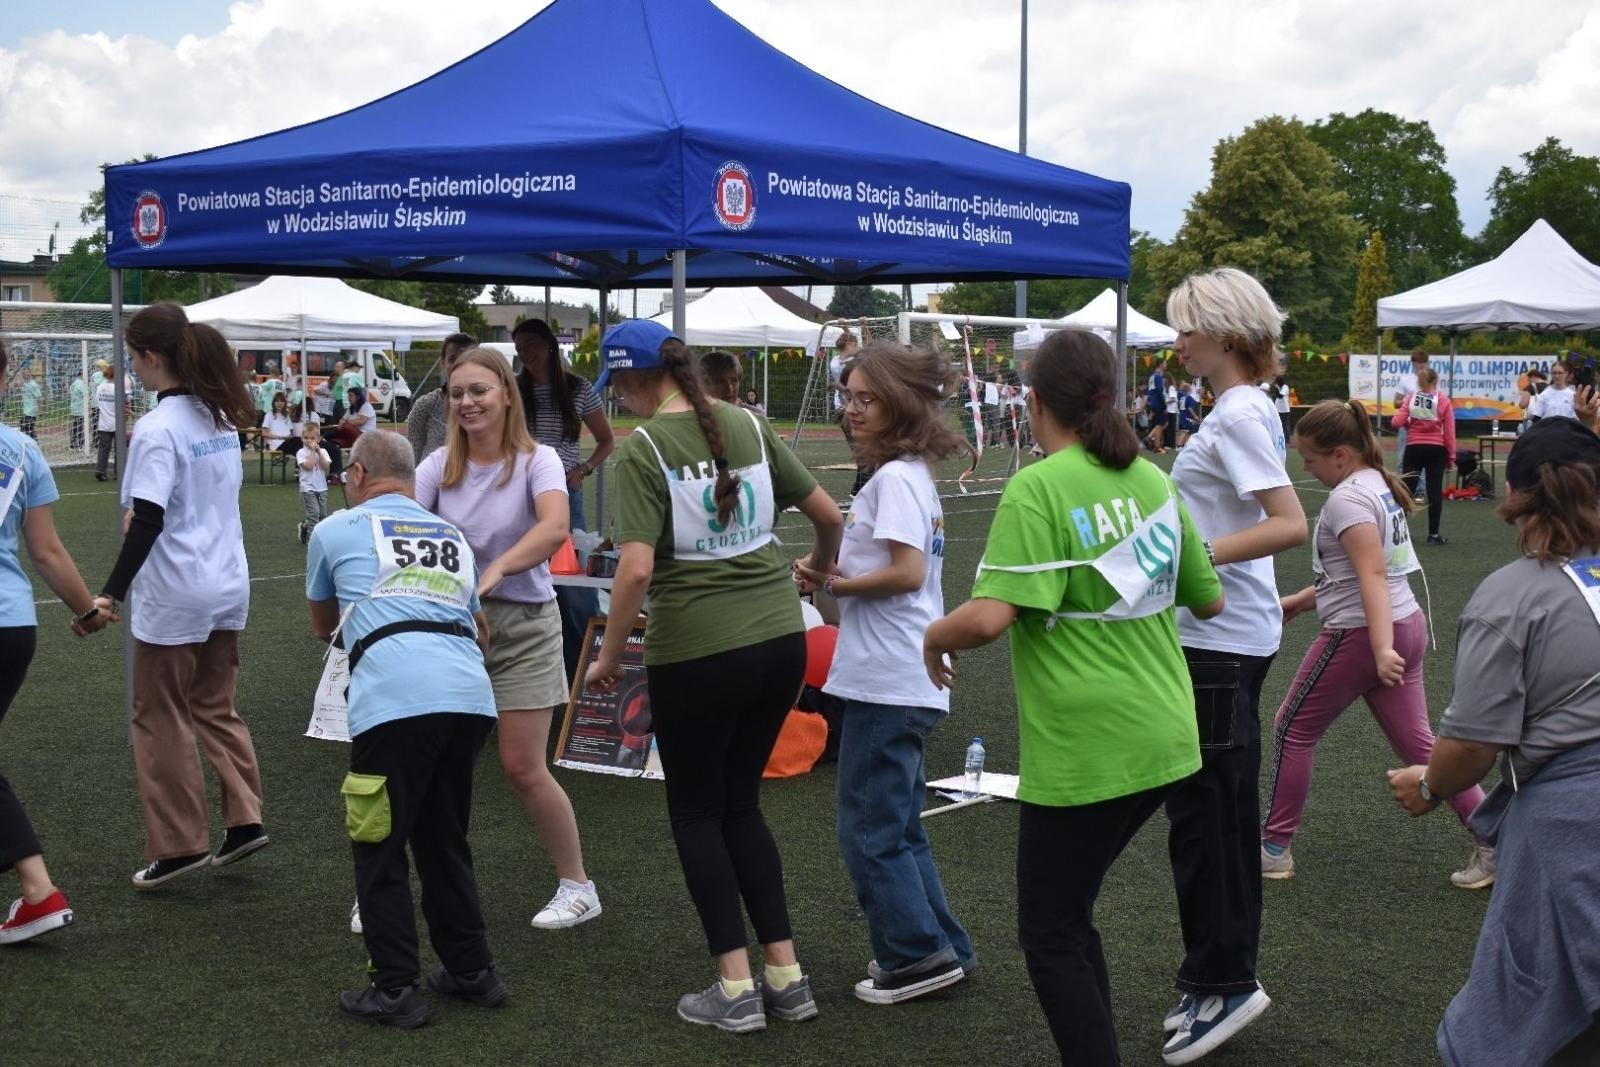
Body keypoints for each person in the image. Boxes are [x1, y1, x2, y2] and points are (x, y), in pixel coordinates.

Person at [923, 328, 1223, 1064]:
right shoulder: (1153, 480)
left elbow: (990, 617)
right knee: (1068, 916)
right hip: (1167, 735)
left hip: (1089, 748)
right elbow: (1207, 600)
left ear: (1031, 401)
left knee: (1050, 928)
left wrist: (933, 634)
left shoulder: (1040, 485)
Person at [585, 319, 843, 1032]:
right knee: (741, 806)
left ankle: (735, 988)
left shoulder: (641, 450)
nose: (620, 403)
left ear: (637, 379)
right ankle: (786, 976)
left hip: (699, 648)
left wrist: (609, 656)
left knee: (697, 812)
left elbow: (634, 568)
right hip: (779, 639)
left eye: (620, 389)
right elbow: (829, 516)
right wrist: (817, 572)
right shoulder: (750, 426)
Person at [1387, 417, 1600, 1066]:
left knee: (1513, 1018)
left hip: (1567, 822)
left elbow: (1473, 745)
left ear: (1514, 494)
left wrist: (1428, 783)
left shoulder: (1510, 597)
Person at [794, 342, 975, 1004]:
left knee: (869, 828)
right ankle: (942, 946)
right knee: (897, 825)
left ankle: (914, 955)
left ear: (899, 402)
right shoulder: (910, 474)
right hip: (902, 670)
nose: (851, 410)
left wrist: (837, 577)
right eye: (848, 396)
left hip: (888, 674)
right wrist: (837, 579)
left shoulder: (896, 478)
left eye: (864, 398)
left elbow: (903, 573)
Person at [307, 431, 506, 1029]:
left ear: (361, 473)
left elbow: (325, 625)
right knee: (443, 838)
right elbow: (481, 626)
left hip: (395, 698)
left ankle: (394, 988)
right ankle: (471, 972)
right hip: (469, 696)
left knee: (378, 842)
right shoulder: (451, 535)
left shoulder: (336, 529)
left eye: (346, 471)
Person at [1161, 267, 1307, 1065]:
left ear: (1223, 331)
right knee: (1208, 815)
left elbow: (1288, 522)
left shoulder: (1243, 411)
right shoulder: (1240, 407)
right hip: (1221, 634)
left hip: (1221, 641)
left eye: (1187, 325)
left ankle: (1223, 981)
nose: (1177, 338)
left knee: (1210, 820)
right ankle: (1212, 977)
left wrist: (1188, 555)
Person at [1264, 400, 1489, 885]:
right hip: (1404, 623)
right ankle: (1494, 841)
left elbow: (1371, 573)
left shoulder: (1348, 498)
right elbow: (1363, 571)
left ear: (1340, 455)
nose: (1305, 467)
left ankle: (1274, 847)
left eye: (1310, 458)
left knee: (1291, 728)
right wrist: (1305, 600)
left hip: (1365, 634)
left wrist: (1380, 647)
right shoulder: (1377, 484)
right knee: (1423, 749)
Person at [415, 347, 597, 930]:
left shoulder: (537, 461)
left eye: (478, 391)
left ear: (506, 395)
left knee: (522, 766)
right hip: (449, 628)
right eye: (456, 393)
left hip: (522, 627)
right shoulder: (436, 467)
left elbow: (554, 527)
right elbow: (404, 535)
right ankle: (389, 884)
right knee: (427, 764)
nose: (466, 402)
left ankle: (578, 886)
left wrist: (492, 573)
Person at [94, 302, 268, 889]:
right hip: (228, 583)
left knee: (158, 715)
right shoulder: (216, 417)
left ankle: (178, 846)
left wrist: (110, 594)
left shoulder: (159, 427)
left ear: (149, 357)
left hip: (178, 592)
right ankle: (245, 820)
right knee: (215, 704)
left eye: (133, 357)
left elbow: (145, 518)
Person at [0, 339, 115, 946]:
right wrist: (87, 609)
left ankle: (40, 891)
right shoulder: (20, 450)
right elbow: (45, 549)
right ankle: (38, 891)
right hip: (12, 625)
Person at [513, 317, 614, 683]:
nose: (525, 354)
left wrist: (583, 468)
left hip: (565, 497)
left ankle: (584, 673)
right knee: (525, 585)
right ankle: (540, 677)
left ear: (550, 346)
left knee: (574, 591)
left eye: (531, 346)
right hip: (520, 498)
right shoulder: (513, 389)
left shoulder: (578, 387)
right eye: (520, 348)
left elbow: (606, 440)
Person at [1392, 365, 1456, 546]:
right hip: (1436, 449)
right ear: (1436, 381)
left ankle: (1399, 533)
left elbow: (1396, 422)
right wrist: (1451, 457)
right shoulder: (1443, 400)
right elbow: (1450, 433)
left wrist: (1409, 426)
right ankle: (1433, 535)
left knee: (1406, 490)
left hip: (1414, 448)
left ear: (1418, 382)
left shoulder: (1411, 398)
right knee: (1434, 491)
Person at [405, 332, 476, 463]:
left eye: (466, 358)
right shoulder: (426, 405)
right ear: (443, 362)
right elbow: (412, 458)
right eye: (452, 358)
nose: (459, 364)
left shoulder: (483, 406)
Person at [1392, 348, 1429, 470]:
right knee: (1403, 456)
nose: (1420, 365)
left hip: (1426, 424)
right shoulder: (1405, 380)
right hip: (1407, 423)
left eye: (1423, 362)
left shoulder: (1431, 381)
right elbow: (1396, 403)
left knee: (1423, 458)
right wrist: (1410, 401)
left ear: (1427, 363)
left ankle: (1421, 489)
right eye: (1418, 362)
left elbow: (1437, 401)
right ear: (1413, 363)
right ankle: (1400, 487)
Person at [296, 422, 331, 545]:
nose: (309, 441)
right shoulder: (301, 453)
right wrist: (312, 452)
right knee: (314, 513)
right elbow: (308, 466)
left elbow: (326, 466)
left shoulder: (324, 452)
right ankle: (313, 543)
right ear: (302, 438)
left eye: (312, 438)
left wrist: (319, 452)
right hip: (308, 488)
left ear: (318, 439)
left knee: (322, 515)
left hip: (321, 488)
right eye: (306, 438)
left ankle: (305, 526)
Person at [93, 359, 120, 481]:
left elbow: (98, 403)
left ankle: (101, 470)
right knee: (119, 449)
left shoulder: (100, 388)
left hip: (104, 422)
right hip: (117, 423)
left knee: (103, 448)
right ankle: (118, 472)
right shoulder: (118, 388)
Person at [261, 391, 297, 459]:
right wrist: (280, 437)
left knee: (300, 442)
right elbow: (264, 433)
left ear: (285, 403)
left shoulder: (286, 415)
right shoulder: (269, 414)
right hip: (276, 444)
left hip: (287, 441)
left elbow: (290, 434)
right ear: (274, 403)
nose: (279, 403)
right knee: (297, 448)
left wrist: (288, 437)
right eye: (277, 401)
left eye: (282, 401)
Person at [1144, 363, 1169, 454]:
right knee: (1160, 425)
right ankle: (1157, 447)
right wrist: (1164, 405)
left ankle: (1151, 440)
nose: (1166, 365)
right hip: (1158, 403)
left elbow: (1150, 392)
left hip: (1154, 403)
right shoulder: (1158, 377)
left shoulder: (1151, 377)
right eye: (1165, 363)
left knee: (1160, 424)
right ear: (1161, 364)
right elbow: (1159, 391)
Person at [16, 366, 40, 441]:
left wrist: (41, 410)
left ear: (30, 373)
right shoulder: (24, 384)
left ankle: (34, 443)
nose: (25, 374)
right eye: (24, 373)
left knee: (28, 428)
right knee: (25, 428)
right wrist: (19, 373)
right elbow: (17, 383)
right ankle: (31, 443)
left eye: (26, 372)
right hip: (26, 411)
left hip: (31, 411)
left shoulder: (33, 384)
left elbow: (39, 398)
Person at [1176, 381, 1202, 448]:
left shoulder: (1182, 398)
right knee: (1184, 432)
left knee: (1187, 432)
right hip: (1186, 417)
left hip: (1182, 416)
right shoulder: (1188, 398)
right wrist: (1195, 416)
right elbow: (1190, 408)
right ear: (1189, 390)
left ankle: (1185, 446)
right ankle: (1179, 446)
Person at [69, 369, 90, 451]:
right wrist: (88, 406)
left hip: (73, 408)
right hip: (80, 409)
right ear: (83, 375)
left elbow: (70, 393)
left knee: (74, 426)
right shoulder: (81, 384)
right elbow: (86, 396)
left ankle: (72, 445)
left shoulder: (73, 384)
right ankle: (81, 445)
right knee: (81, 427)